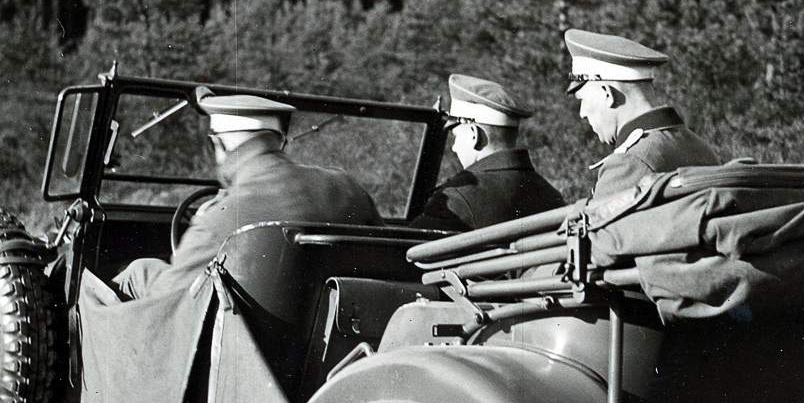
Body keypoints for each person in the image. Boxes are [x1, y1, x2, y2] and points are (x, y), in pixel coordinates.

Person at [114, 92, 383, 298]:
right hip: (337, 348)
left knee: (138, 273)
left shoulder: (220, 218)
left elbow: (167, 298)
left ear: (217, 144)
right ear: (280, 141)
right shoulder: (348, 188)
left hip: (245, 354)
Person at [564, 29, 720, 199]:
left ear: (606, 94)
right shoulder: (701, 147)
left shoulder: (629, 164)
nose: (582, 113)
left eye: (582, 100)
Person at [410, 74, 565, 232]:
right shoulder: (552, 196)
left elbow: (400, 251)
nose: (454, 147)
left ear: (473, 134)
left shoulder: (456, 200)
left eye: (455, 136)